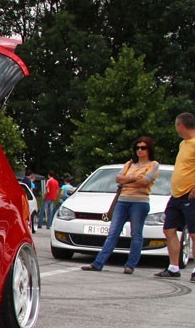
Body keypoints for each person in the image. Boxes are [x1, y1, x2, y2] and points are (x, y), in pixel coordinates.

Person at [81, 137, 160, 274]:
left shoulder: (153, 165)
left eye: (143, 148)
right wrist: (134, 178)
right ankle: (98, 263)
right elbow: (118, 178)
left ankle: (130, 265)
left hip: (140, 202)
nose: (140, 150)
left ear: (149, 149)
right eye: (137, 148)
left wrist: (127, 179)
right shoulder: (129, 164)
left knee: (136, 234)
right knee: (113, 233)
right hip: (122, 201)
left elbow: (145, 181)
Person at [155, 112, 195, 280]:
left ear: (180, 125)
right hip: (176, 195)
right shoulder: (183, 144)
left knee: (194, 233)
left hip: (190, 195)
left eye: (176, 126)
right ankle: (173, 267)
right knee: (169, 229)